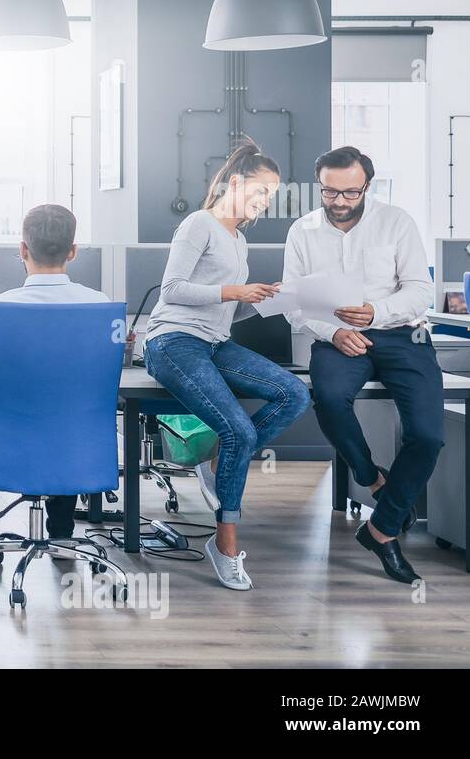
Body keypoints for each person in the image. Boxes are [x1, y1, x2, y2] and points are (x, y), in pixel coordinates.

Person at [143, 139, 311, 591]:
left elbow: (226, 311)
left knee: (295, 394)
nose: (265, 202)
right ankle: (226, 543)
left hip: (215, 342)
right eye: (260, 191)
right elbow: (173, 290)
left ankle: (217, 460)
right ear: (234, 182)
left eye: (271, 195)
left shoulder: (238, 240)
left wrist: (261, 300)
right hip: (173, 340)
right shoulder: (199, 224)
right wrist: (236, 291)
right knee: (239, 430)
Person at [284, 146, 441, 585]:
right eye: (330, 192)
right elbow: (295, 303)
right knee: (330, 399)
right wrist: (331, 331)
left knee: (428, 436)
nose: (339, 201)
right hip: (335, 335)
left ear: (366, 186)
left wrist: (376, 312)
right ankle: (372, 478)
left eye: (350, 192)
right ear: (320, 185)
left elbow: (419, 291)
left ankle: (381, 529)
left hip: (400, 333)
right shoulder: (303, 231)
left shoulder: (397, 223)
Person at [0, 205, 107, 561]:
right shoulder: (98, 306)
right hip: (75, 451)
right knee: (65, 417)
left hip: (6, 452)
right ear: (73, 251)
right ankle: (62, 535)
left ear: (22, 250)